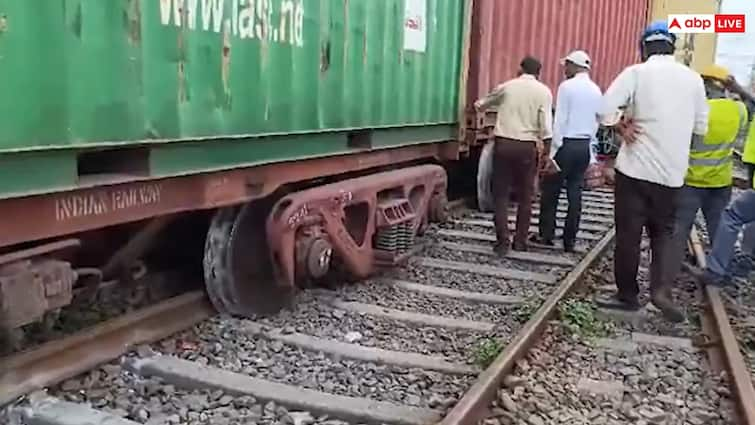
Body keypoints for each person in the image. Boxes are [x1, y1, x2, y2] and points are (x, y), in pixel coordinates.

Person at [594, 21, 709, 322]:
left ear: (644, 47)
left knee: (629, 235)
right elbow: (701, 129)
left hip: (634, 171)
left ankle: (628, 296)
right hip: (672, 175)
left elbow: (605, 109)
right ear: (672, 46)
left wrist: (620, 124)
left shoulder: (636, 73)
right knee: (664, 234)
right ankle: (661, 291)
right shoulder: (693, 79)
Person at [666, 65, 749, 282]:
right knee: (719, 226)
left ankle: (669, 275)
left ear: (707, 84)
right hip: (721, 181)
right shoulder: (738, 110)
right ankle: (721, 270)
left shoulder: (695, 110)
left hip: (691, 181)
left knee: (680, 227)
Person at [474, 56, 553, 255]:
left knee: (500, 194)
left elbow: (480, 104)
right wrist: (546, 152)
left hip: (504, 145)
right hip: (527, 148)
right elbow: (547, 128)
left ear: (520, 69)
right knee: (526, 196)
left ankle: (502, 242)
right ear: (538, 72)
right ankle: (520, 241)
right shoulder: (544, 92)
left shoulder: (507, 86)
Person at [532, 50, 602, 252]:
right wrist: (591, 153)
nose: (564, 69)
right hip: (583, 146)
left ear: (574, 65)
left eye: (566, 65)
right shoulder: (596, 90)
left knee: (551, 190)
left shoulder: (567, 87)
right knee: (575, 192)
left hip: (566, 145)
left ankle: (547, 235)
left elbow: (560, 120)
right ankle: (569, 240)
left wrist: (552, 154)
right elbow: (596, 122)